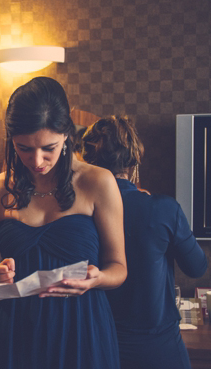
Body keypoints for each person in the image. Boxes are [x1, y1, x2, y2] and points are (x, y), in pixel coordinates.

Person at [0, 76, 127, 368]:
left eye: (49, 147)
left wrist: (98, 279)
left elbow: (119, 268)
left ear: (67, 135)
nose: (37, 160)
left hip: (82, 327)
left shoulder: (98, 182)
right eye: (24, 148)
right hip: (18, 327)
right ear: (11, 140)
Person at [81, 115, 208, 369]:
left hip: (97, 343)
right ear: (133, 161)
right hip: (158, 349)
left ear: (89, 162)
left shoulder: (78, 213)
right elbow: (197, 267)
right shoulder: (163, 209)